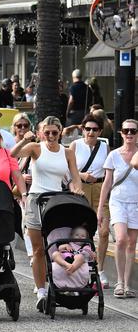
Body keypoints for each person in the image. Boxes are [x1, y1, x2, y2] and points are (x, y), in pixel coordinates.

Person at [10, 117, 83, 311]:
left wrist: (77, 189)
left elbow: (75, 177)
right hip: (36, 199)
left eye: (55, 133)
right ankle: (41, 290)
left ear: (60, 133)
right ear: (41, 132)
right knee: (38, 249)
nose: (51, 136)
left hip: (57, 201)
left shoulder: (67, 152)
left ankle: (63, 283)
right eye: (47, 132)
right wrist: (25, 140)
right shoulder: (36, 147)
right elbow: (13, 153)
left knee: (60, 245)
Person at [68, 115, 111, 287]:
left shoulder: (105, 146)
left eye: (94, 129)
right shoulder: (75, 145)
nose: (91, 132)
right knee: (81, 230)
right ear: (82, 130)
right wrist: (82, 175)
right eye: (87, 129)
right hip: (80, 189)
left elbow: (109, 171)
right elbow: (67, 171)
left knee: (104, 231)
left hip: (100, 190)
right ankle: (79, 265)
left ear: (100, 131)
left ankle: (100, 270)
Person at [97, 119, 138, 298]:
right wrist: (100, 208)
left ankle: (127, 284)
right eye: (126, 130)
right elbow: (107, 184)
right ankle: (119, 282)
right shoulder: (113, 155)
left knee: (132, 243)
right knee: (121, 239)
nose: (129, 134)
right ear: (120, 133)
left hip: (136, 203)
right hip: (118, 202)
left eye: (133, 131)